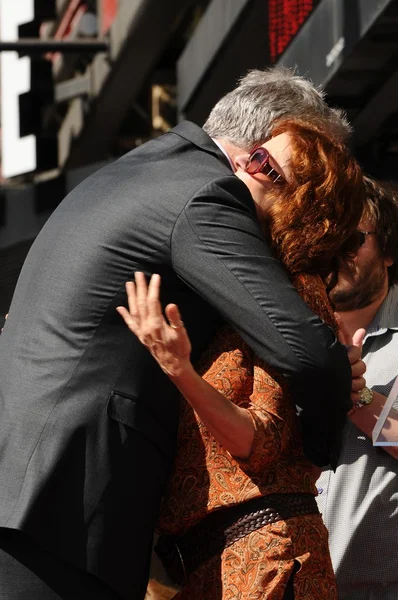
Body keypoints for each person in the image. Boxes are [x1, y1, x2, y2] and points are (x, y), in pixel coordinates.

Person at [0, 66, 356, 600]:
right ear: (256, 155)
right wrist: (324, 438)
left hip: (38, 490)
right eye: (300, 173)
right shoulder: (206, 193)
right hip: (66, 499)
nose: (298, 202)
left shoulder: (144, 169)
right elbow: (307, 352)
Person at [119, 119, 366, 599]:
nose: (240, 163)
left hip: (267, 561)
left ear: (302, 206)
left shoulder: (297, 294)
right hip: (217, 566)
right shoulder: (242, 288)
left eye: (262, 164)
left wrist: (180, 370)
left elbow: (260, 440)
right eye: (251, 153)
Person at [316, 177, 398, 600]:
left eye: (352, 238)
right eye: (325, 236)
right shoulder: (291, 336)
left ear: (387, 250)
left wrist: (357, 396)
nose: (335, 252)